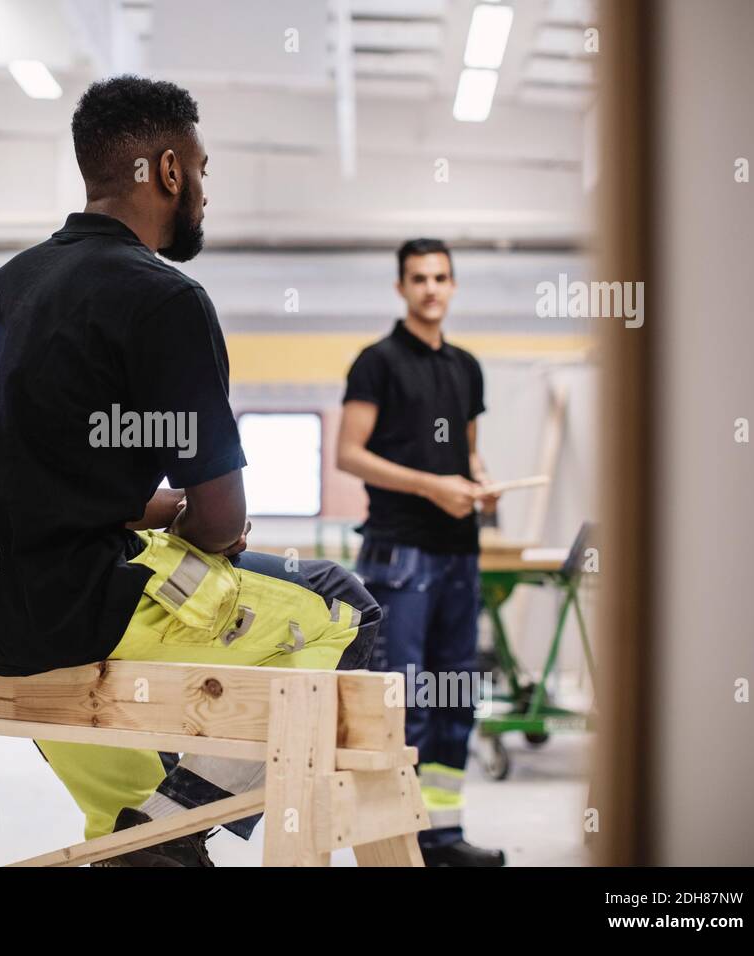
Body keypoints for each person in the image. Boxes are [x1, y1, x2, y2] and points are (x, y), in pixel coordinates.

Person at [0, 75, 381, 866]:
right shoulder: (163, 298)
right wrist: (191, 515)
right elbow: (219, 523)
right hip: (75, 617)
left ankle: (134, 831)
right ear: (169, 171)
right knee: (342, 610)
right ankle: (163, 835)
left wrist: (154, 508)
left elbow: (25, 477)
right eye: (202, 170)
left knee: (142, 776)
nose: (203, 190)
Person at [336, 238, 506, 867]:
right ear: (401, 288)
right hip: (399, 554)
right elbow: (348, 454)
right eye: (418, 278)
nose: (431, 287)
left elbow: (468, 450)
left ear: (453, 285)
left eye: (440, 277)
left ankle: (440, 837)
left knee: (454, 696)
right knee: (403, 702)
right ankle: (395, 843)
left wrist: (480, 483)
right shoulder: (376, 362)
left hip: (460, 553)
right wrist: (431, 487)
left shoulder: (466, 366)